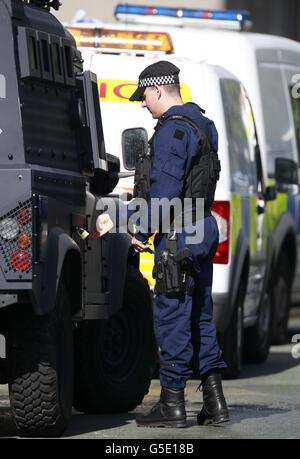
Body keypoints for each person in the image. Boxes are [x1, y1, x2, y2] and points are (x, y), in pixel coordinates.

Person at [91, 60, 229, 428]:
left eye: (144, 98)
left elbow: (164, 194)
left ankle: (172, 405)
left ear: (156, 90)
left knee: (171, 317)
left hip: (180, 235)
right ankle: (215, 403)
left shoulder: (172, 132)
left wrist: (137, 229)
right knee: (198, 314)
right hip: (201, 229)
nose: (142, 105)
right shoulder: (203, 123)